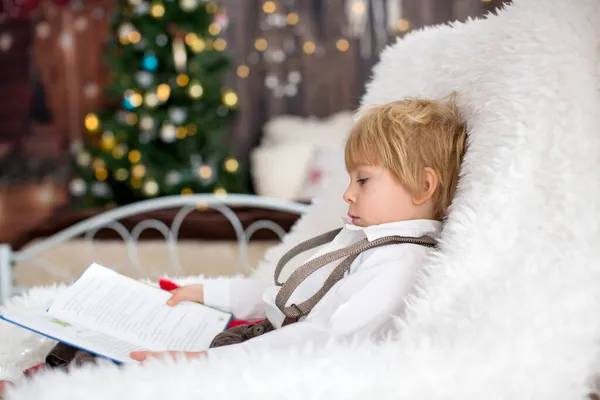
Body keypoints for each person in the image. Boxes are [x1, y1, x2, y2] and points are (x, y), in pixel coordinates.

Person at [130, 94, 467, 362]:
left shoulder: (400, 264)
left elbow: (322, 340)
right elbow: (289, 302)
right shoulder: (365, 243)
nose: (348, 193)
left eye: (363, 180)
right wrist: (208, 293)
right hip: (258, 344)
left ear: (424, 186)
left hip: (272, 361)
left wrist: (201, 362)